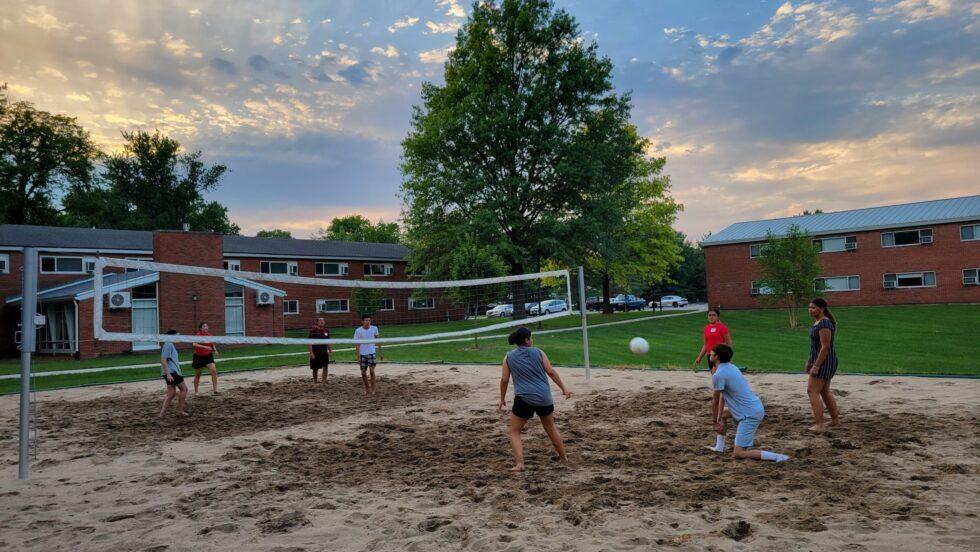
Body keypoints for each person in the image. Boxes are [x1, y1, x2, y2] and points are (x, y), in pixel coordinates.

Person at [498, 326, 572, 472]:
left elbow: (504, 380)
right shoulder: (539, 352)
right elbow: (550, 372)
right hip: (544, 397)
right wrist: (564, 388)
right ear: (526, 340)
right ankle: (564, 458)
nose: (532, 340)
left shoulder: (508, 357)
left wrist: (502, 398)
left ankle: (520, 464)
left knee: (514, 432)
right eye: (531, 337)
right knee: (550, 428)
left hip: (524, 398)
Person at [708, 344, 789, 462]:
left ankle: (779, 457)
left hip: (749, 414)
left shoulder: (719, 375)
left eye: (712, 352)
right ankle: (719, 447)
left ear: (717, 357)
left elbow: (714, 401)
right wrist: (720, 417)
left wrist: (715, 422)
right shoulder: (731, 367)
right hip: (752, 407)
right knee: (724, 415)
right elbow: (722, 396)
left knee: (738, 453)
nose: (710, 353)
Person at [695, 307, 733, 452]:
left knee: (717, 390)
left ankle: (718, 410)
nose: (711, 317)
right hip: (710, 358)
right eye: (709, 315)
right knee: (717, 383)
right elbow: (706, 344)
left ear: (718, 316)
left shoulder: (722, 327)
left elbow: (729, 343)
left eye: (713, 315)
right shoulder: (706, 328)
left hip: (720, 358)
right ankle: (716, 411)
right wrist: (699, 356)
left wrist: (730, 358)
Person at [805, 297, 841, 433]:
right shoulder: (818, 322)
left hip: (824, 361)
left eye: (813, 307)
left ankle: (820, 425)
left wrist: (816, 366)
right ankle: (835, 420)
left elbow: (825, 347)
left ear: (822, 309)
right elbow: (816, 345)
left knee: (812, 391)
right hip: (822, 360)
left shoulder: (824, 324)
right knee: (824, 391)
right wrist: (809, 360)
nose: (810, 310)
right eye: (809, 307)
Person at [159, 329, 189, 417]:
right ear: (172, 336)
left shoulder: (168, 344)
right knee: (184, 389)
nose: (178, 337)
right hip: (172, 372)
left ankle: (162, 414)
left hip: (169, 372)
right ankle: (180, 411)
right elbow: (163, 360)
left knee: (171, 393)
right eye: (177, 335)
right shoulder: (169, 344)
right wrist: (168, 374)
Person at [354, 315, 382, 395]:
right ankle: (367, 388)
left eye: (369, 320)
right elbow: (357, 344)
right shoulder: (358, 330)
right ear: (362, 321)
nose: (368, 322)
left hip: (372, 353)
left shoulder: (374, 328)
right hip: (362, 354)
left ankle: (373, 389)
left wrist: (380, 353)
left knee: (372, 371)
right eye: (366, 320)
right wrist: (358, 356)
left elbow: (379, 340)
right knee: (363, 373)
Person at [191, 322, 219, 395]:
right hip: (198, 357)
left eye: (207, 326)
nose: (206, 327)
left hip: (208, 356)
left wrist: (215, 350)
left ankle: (215, 390)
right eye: (204, 326)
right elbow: (194, 344)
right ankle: (196, 391)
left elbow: (212, 344)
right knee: (198, 374)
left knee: (214, 371)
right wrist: (205, 347)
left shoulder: (210, 335)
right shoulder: (198, 335)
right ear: (200, 328)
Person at [308, 317, 333, 384]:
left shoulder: (326, 331)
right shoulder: (313, 331)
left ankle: (324, 381)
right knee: (315, 368)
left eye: (323, 320)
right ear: (317, 322)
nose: (322, 321)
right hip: (315, 351)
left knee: (325, 366)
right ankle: (315, 381)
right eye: (320, 320)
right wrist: (311, 353)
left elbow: (328, 341)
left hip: (324, 351)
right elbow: (309, 342)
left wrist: (330, 350)